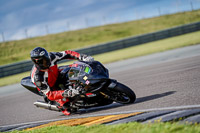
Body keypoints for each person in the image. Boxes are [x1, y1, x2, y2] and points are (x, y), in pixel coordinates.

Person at [30, 47, 94, 115]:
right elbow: (50, 94)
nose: (44, 63)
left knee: (77, 67)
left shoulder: (52, 56)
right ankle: (62, 106)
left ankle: (90, 82)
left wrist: (82, 57)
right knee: (68, 108)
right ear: (35, 62)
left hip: (56, 73)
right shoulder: (38, 77)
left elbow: (67, 53)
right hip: (50, 87)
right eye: (41, 62)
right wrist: (68, 93)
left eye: (45, 60)